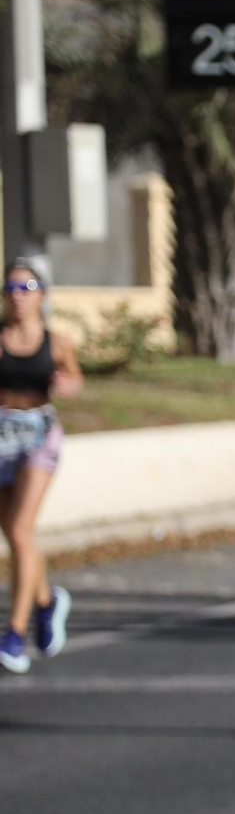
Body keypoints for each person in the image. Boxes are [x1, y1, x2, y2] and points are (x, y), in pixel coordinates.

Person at [0, 261, 80, 674]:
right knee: (16, 535)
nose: (18, 294)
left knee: (19, 529)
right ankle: (47, 603)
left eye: (27, 286)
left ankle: (14, 632)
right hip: (1, 438)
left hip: (39, 438)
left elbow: (74, 379)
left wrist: (68, 385)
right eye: (11, 286)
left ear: (41, 294)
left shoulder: (57, 342)